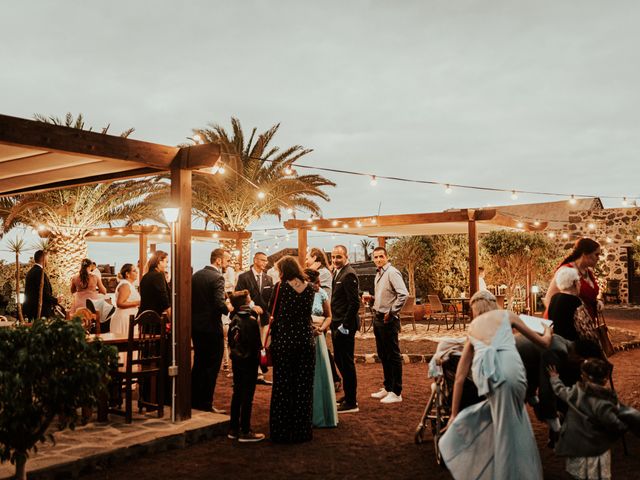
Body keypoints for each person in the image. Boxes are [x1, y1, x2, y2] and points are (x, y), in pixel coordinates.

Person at [438, 290, 553, 480]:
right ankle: (516, 472)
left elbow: (459, 376)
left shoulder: (473, 327)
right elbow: (544, 343)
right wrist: (547, 330)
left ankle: (505, 471)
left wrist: (453, 414)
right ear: (493, 303)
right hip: (513, 372)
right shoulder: (507, 315)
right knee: (514, 422)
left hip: (489, 378)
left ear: (475, 308)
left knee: (504, 423)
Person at [549, 359, 628, 480]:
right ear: (605, 379)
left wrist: (554, 378)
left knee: (580, 475)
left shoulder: (576, 394)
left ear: (584, 377)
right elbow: (615, 423)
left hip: (580, 446)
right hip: (597, 446)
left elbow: (560, 391)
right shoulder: (609, 398)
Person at [269, 256, 315, 443]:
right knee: (303, 386)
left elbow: (271, 309)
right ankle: (302, 430)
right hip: (305, 341)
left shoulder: (281, 287)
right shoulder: (310, 288)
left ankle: (281, 430)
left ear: (283, 270)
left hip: (285, 341)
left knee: (283, 386)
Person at [191, 248, 232, 413]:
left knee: (199, 364)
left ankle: (194, 400)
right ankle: (206, 403)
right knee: (212, 367)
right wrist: (230, 307)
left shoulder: (196, 276)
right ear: (219, 261)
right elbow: (218, 303)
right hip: (211, 327)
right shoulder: (217, 277)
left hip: (196, 327)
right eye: (227, 260)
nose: (228, 264)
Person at [370, 246, 408, 404]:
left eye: (381, 256)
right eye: (376, 257)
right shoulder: (378, 274)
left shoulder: (392, 272)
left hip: (388, 319)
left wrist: (391, 312)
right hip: (378, 317)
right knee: (383, 354)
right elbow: (385, 295)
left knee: (393, 355)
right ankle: (388, 387)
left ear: (386, 257)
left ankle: (397, 391)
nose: (378, 259)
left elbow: (403, 294)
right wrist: (373, 299)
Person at [226, 290, 265, 443]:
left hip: (236, 360)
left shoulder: (234, 319)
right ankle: (245, 430)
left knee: (237, 393)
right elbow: (257, 344)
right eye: (249, 299)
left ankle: (233, 428)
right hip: (249, 361)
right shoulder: (251, 320)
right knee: (247, 396)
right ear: (246, 303)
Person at [235, 251, 275, 385]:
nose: (265, 263)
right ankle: (250, 372)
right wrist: (252, 306)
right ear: (255, 260)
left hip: (264, 316)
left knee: (262, 345)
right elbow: (239, 295)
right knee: (250, 345)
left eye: (266, 261)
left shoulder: (268, 279)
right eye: (263, 260)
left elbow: (271, 298)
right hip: (249, 317)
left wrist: (270, 313)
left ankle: (259, 373)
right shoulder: (243, 277)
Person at [305, 268, 338, 428]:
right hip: (304, 335)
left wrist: (322, 328)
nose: (317, 285)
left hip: (319, 336)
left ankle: (322, 414)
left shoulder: (322, 294)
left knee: (320, 373)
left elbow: (328, 315)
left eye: (318, 282)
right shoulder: (300, 294)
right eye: (314, 282)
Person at [305, 247, 341, 390]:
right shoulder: (315, 272)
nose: (306, 260)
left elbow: (322, 295)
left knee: (322, 350)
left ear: (315, 258)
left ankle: (333, 379)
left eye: (308, 257)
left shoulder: (324, 273)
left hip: (319, 319)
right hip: (314, 319)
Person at [330, 245, 361, 414]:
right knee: (339, 360)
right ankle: (348, 396)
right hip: (336, 323)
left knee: (347, 363)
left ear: (346, 256)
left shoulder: (349, 274)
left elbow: (354, 303)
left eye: (339, 257)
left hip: (345, 326)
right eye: (333, 257)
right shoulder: (337, 272)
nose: (335, 260)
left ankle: (351, 401)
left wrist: (344, 326)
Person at [544, 238, 602, 321]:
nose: (598, 258)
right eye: (596, 254)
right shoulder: (566, 270)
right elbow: (549, 299)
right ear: (585, 254)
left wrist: (597, 302)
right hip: (568, 322)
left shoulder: (588, 272)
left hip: (586, 322)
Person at [547, 267, 583, 341]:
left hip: (557, 341)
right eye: (579, 281)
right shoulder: (574, 301)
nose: (580, 284)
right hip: (572, 344)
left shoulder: (554, 297)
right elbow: (584, 328)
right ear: (574, 283)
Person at [22, 250, 59, 320]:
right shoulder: (40, 273)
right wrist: (56, 300)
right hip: (39, 311)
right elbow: (43, 293)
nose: (48, 260)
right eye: (47, 258)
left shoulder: (30, 272)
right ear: (44, 259)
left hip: (30, 309)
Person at [138, 251, 171, 317]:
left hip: (145, 316)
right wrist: (171, 319)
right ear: (159, 261)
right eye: (166, 262)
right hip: (155, 317)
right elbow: (164, 300)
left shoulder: (145, 276)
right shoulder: (158, 276)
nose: (167, 265)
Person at [111, 263, 141, 335]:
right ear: (127, 274)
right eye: (134, 271)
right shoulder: (125, 285)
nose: (137, 272)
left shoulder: (129, 285)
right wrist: (138, 303)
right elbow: (120, 303)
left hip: (129, 317)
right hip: (124, 318)